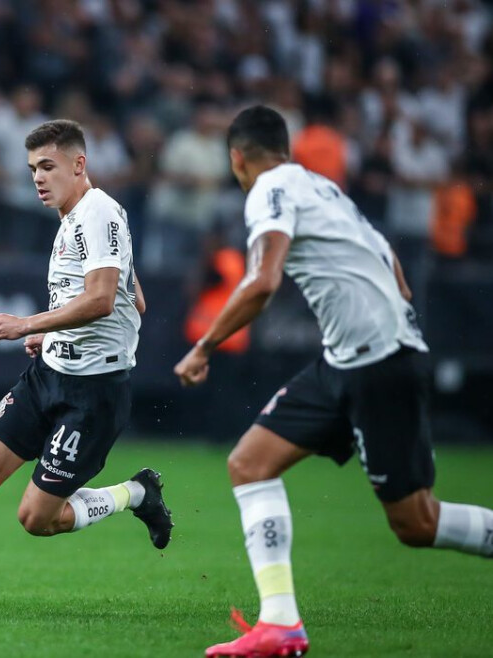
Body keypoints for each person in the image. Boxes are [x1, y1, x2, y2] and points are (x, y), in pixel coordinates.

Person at [173, 106, 493, 658]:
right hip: (347, 358)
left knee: (416, 522)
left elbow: (263, 280)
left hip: (379, 363)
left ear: (236, 159)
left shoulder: (266, 189)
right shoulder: (321, 187)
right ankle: (280, 624)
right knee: (249, 463)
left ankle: (281, 623)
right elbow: (392, 262)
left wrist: (203, 346)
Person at [0, 120, 173, 609]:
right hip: (48, 376)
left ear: (79, 165)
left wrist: (30, 324)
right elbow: (133, 298)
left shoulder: (99, 213)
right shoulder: (71, 216)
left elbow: (100, 298)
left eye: (48, 166)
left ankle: (136, 493)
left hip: (92, 395)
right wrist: (54, 332)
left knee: (37, 519)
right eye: (32, 168)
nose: (38, 178)